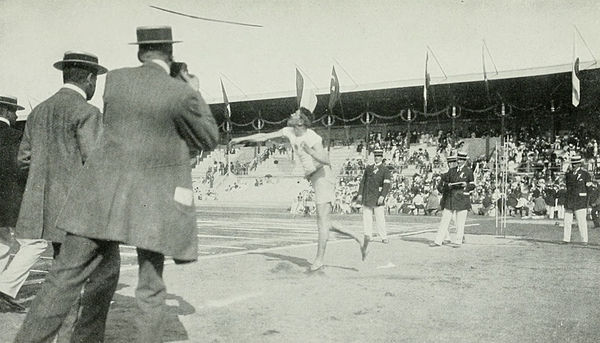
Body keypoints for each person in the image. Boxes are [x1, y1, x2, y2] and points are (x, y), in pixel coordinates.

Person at [15, 26, 219, 343]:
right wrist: (193, 90)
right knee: (142, 286)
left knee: (62, 279)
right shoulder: (178, 92)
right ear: (171, 54)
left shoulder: (116, 82)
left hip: (92, 200)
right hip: (146, 201)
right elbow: (208, 138)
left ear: (140, 52)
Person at [230, 107, 367, 271]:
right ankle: (357, 237)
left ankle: (319, 260)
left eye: (295, 114)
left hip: (323, 176)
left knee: (322, 223)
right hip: (314, 176)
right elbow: (264, 136)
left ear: (301, 121)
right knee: (326, 222)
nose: (291, 115)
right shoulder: (288, 131)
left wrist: (310, 151)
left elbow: (325, 159)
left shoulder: (312, 137)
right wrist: (240, 139)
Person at [0, 95, 30, 313]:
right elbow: (22, 168)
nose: (16, 115)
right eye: (14, 111)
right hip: (9, 199)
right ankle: (4, 290)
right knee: (25, 244)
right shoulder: (15, 137)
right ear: (7, 111)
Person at [430, 152, 475, 247]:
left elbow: (472, 185)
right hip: (450, 198)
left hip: (462, 198)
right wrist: (448, 185)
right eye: (458, 159)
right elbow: (444, 182)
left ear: (465, 161)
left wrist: (466, 185)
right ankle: (438, 241)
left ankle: (458, 241)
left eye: (461, 160)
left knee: (460, 222)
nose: (459, 161)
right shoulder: (451, 171)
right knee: (444, 220)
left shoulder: (468, 171)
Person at [357, 149, 392, 244]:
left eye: (379, 156)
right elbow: (363, 182)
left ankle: (383, 236)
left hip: (377, 196)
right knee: (367, 218)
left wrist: (383, 196)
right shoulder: (369, 168)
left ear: (382, 157)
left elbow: (386, 185)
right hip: (367, 196)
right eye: (375, 156)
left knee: (380, 218)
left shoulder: (385, 170)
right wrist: (360, 193)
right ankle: (368, 235)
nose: (377, 158)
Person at [561, 155, 591, 245]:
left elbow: (589, 189)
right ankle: (566, 239)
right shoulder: (568, 174)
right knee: (567, 221)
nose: (573, 166)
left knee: (581, 221)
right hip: (570, 200)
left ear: (579, 164)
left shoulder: (585, 174)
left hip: (580, 201)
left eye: (575, 164)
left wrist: (588, 202)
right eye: (572, 164)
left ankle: (584, 240)